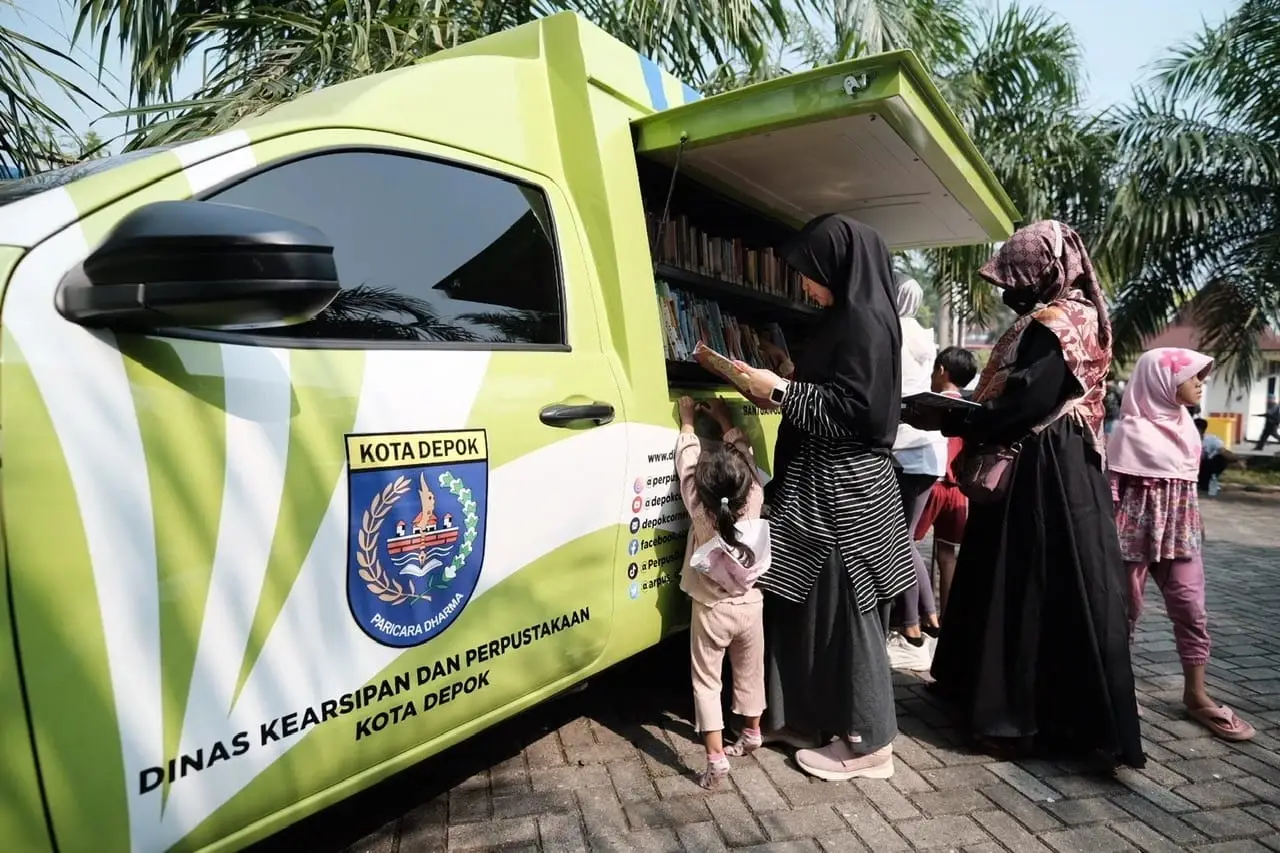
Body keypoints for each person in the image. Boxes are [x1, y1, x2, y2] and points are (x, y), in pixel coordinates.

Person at [905, 219, 1144, 768]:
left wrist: (968, 415)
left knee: (1026, 580)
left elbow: (1028, 398)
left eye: (1016, 279)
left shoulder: (1057, 323)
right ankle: (990, 697)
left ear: (1044, 273)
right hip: (1056, 463)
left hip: (1043, 471)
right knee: (1013, 576)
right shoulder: (1074, 317)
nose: (1009, 292)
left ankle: (1017, 717)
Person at [730, 213, 915, 782]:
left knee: (848, 606)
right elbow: (838, 391)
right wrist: (786, 377)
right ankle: (808, 717)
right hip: (824, 483)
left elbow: (856, 411)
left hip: (845, 490)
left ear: (840, 264)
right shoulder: (851, 317)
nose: (804, 285)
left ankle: (868, 742)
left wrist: (780, 390)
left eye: (809, 273)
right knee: (801, 596)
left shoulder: (862, 319)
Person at [1108, 349, 1256, 742]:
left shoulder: (1188, 427)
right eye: (1193, 376)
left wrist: (1196, 521)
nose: (1199, 383)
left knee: (1192, 609)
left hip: (1180, 529)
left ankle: (1195, 693)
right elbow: (1111, 491)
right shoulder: (1127, 431)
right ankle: (1117, 690)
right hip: (1130, 534)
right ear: (1161, 380)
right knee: (1124, 614)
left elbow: (1187, 482)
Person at [674, 396, 773, 788]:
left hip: (712, 608)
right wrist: (727, 422)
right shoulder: (756, 496)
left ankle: (715, 760)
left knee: (707, 681)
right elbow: (747, 459)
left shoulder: (698, 505)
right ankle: (752, 732)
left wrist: (687, 423)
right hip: (751, 605)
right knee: (750, 671)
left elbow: (686, 461)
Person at [887, 274, 943, 671]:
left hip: (902, 451)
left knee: (898, 542)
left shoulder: (893, 333)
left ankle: (910, 632)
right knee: (907, 541)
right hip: (926, 453)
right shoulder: (924, 335)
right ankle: (929, 619)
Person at [912, 346, 980, 619]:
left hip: (935, 484)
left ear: (941, 370)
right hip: (958, 490)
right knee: (947, 555)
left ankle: (917, 615)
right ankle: (948, 617)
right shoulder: (971, 406)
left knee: (908, 547)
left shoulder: (935, 404)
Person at [1196, 417, 1241, 496]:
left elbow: (1223, 451)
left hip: (1204, 467)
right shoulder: (1185, 439)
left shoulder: (1211, 440)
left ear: (1202, 430)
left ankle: (1207, 482)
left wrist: (1236, 460)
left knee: (1220, 458)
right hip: (1191, 467)